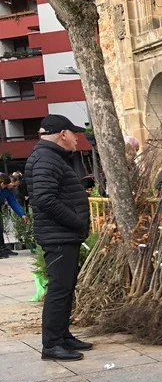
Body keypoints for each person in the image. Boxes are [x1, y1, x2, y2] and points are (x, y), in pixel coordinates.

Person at [24, 115, 93, 362]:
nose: (77, 139)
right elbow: (45, 199)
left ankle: (63, 335)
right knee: (59, 289)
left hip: (62, 234)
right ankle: (52, 344)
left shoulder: (51, 157)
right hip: (58, 235)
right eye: (74, 134)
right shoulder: (46, 158)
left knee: (66, 287)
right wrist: (76, 221)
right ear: (63, 134)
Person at [0, 173, 27, 257]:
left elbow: (13, 202)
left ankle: (2, 248)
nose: (13, 188)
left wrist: (22, 214)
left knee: (0, 229)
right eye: (13, 185)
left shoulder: (8, 191)